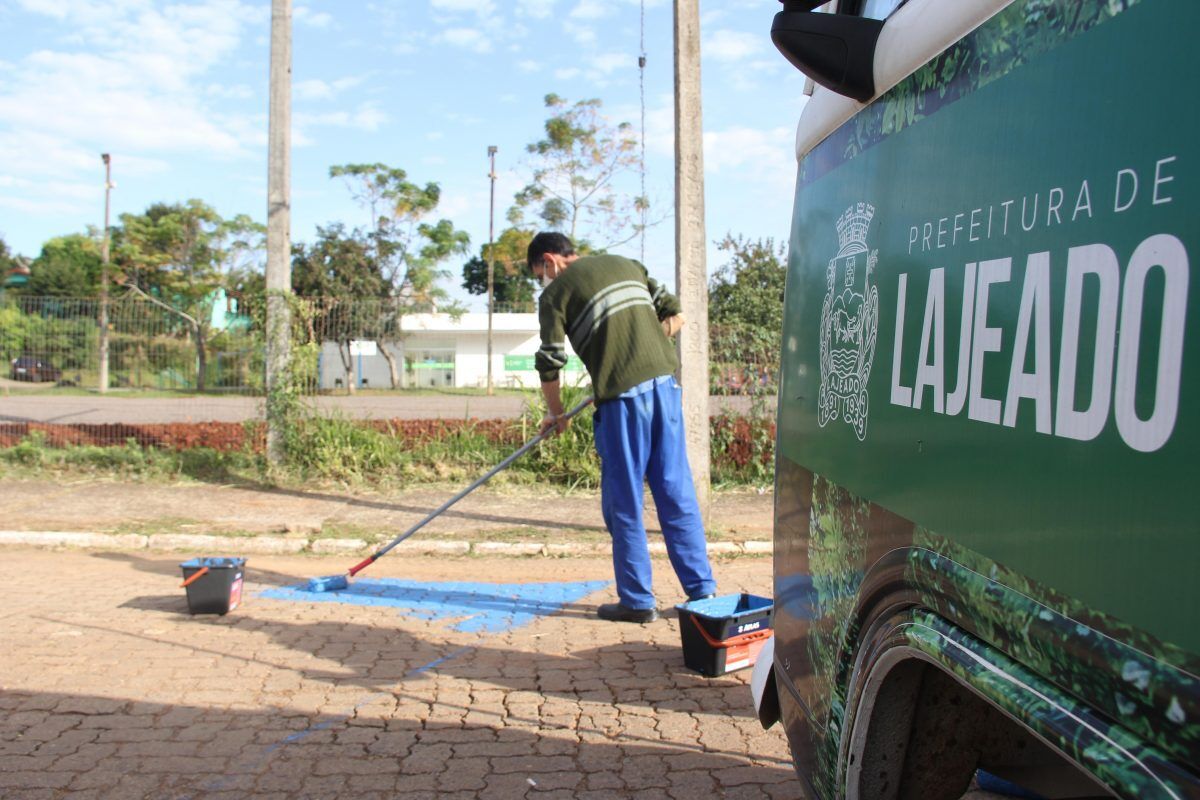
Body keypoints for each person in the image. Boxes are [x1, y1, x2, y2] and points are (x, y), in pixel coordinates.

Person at [528, 231, 716, 624]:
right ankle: (703, 592)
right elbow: (675, 316)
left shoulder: (555, 294)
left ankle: (637, 601)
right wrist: (634, 351)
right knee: (675, 490)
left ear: (550, 261)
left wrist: (556, 413)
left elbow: (550, 360)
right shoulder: (627, 265)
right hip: (665, 388)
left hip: (623, 405)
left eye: (539, 273)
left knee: (624, 501)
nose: (543, 281)